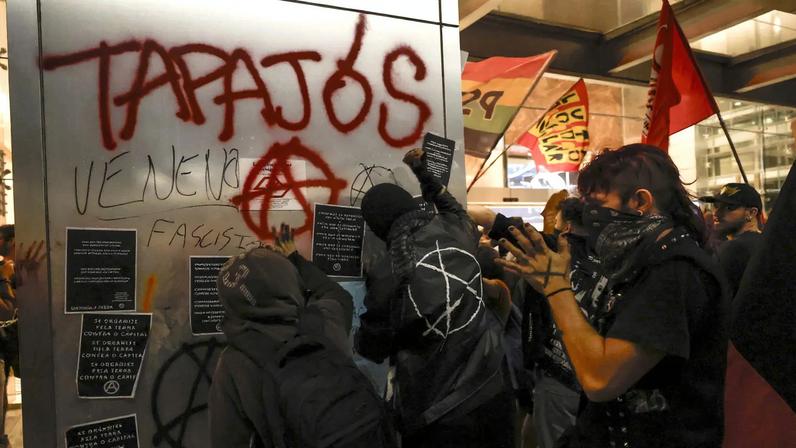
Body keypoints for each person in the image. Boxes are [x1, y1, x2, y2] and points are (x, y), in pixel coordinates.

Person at [497, 144, 729, 447]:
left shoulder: (675, 270)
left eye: (596, 203)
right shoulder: (645, 262)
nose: (589, 215)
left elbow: (600, 379)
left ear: (640, 201)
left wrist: (556, 287)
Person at [356, 148, 511, 448]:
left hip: (436, 411)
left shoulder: (388, 273)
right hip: (494, 385)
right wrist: (420, 169)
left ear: (378, 228)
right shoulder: (458, 230)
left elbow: (372, 347)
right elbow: (448, 202)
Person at [209, 224, 359, 448]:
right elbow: (335, 293)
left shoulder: (234, 362)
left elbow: (227, 440)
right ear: (289, 279)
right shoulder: (327, 321)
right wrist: (293, 258)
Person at [700, 183, 764, 297]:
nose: (716, 213)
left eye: (729, 208)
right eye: (716, 205)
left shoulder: (734, 248)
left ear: (751, 212)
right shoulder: (765, 242)